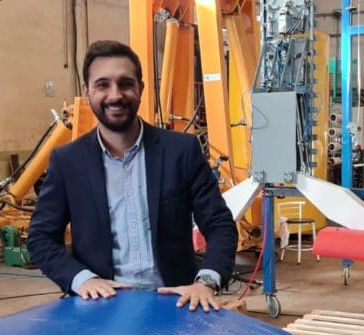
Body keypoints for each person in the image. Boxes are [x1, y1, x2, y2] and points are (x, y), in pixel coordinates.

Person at [27, 40, 237, 312]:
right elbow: (41, 237)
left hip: (176, 302)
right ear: (87, 92)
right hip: (102, 304)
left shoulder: (181, 151)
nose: (115, 95)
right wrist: (82, 280)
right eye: (103, 85)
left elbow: (219, 223)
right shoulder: (68, 161)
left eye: (125, 83)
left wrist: (206, 282)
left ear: (141, 88)